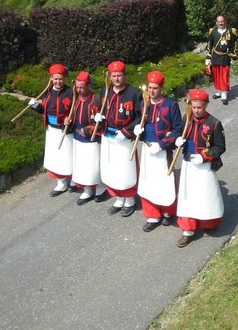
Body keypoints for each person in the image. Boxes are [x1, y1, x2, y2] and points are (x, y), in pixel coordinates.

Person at [174, 89, 226, 248]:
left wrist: (204, 156)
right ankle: (188, 230)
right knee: (187, 197)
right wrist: (178, 139)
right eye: (194, 107)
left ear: (206, 106)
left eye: (199, 107)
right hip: (189, 164)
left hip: (204, 166)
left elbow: (220, 147)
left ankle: (209, 222)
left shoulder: (214, 123)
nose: (196, 110)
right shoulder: (187, 118)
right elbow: (181, 133)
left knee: (206, 196)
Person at [134, 71, 182, 232]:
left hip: (162, 150)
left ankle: (168, 212)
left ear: (161, 88)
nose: (152, 91)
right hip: (147, 149)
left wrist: (162, 144)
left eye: (155, 88)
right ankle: (153, 215)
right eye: (150, 87)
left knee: (164, 182)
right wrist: (138, 131)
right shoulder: (144, 103)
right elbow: (139, 121)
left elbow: (177, 130)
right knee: (148, 182)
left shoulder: (171, 105)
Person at [94, 61, 142, 217]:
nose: (116, 78)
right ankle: (118, 198)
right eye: (113, 75)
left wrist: (127, 132)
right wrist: (97, 118)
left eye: (119, 75)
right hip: (108, 137)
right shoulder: (105, 91)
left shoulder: (134, 93)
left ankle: (129, 199)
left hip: (124, 139)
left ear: (124, 75)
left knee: (125, 170)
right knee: (112, 169)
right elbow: (98, 108)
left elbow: (140, 117)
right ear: (110, 77)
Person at [29, 64, 73, 197]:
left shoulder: (70, 92)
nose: (58, 82)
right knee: (55, 156)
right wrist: (35, 106)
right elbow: (44, 110)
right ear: (51, 79)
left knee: (68, 155)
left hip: (65, 130)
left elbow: (75, 110)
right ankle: (61, 182)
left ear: (64, 78)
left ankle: (75, 180)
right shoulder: (47, 92)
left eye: (60, 79)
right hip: (51, 130)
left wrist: (70, 119)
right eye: (55, 79)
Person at [68, 71, 107, 205]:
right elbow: (72, 115)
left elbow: (102, 119)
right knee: (82, 164)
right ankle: (87, 188)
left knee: (94, 164)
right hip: (78, 137)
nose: (79, 90)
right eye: (78, 87)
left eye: (82, 87)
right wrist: (69, 121)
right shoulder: (76, 99)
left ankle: (100, 187)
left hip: (92, 137)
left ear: (89, 86)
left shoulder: (96, 99)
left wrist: (90, 128)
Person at [205, 15, 238, 105]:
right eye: (219, 22)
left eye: (222, 21)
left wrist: (234, 57)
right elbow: (210, 45)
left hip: (225, 57)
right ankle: (220, 91)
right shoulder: (213, 31)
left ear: (225, 21)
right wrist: (208, 57)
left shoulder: (231, 31)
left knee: (224, 76)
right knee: (217, 76)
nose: (221, 23)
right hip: (215, 56)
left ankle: (224, 95)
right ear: (216, 22)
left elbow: (234, 45)